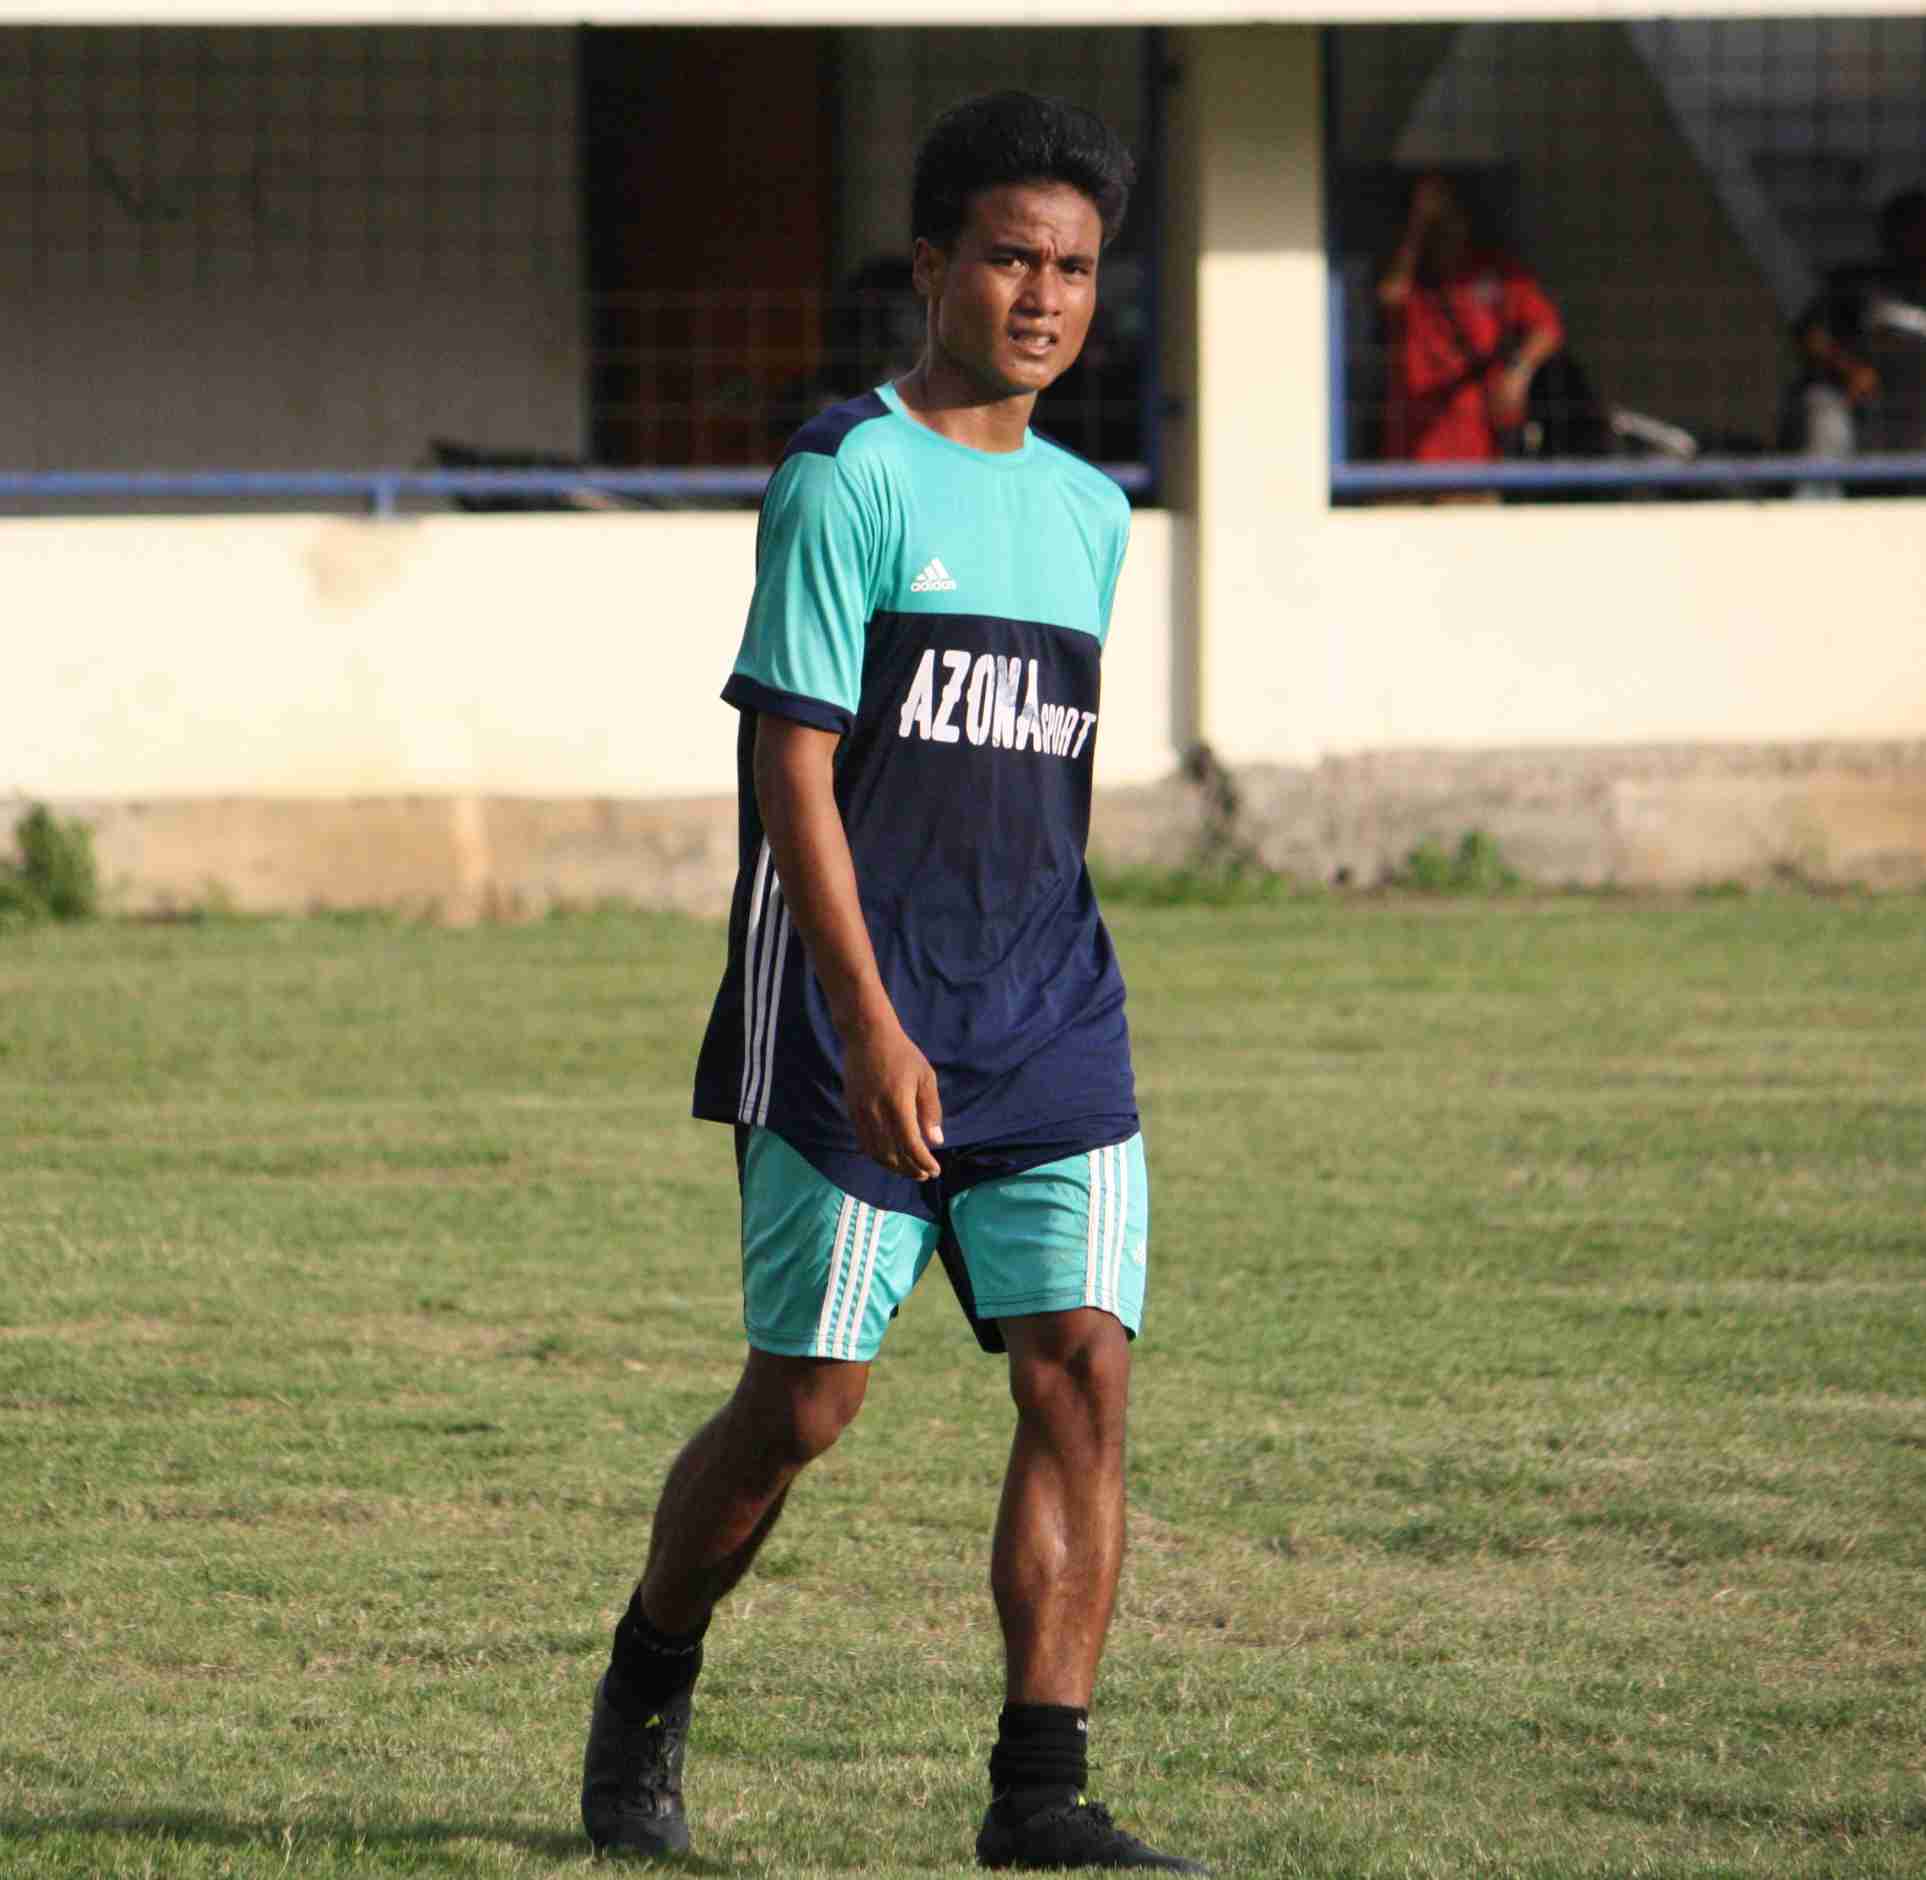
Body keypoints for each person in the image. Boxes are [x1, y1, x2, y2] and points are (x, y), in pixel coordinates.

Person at [579, 91, 1207, 1875]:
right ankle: (648, 1672)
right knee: (806, 1405)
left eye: (1075, 267)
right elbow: (790, 776)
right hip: (851, 1015)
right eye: (1010, 255)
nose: (1043, 294)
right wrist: (867, 1024)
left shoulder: (1091, 511)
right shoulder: (843, 476)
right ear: (933, 265)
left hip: (1049, 1013)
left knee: (1080, 1366)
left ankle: (1040, 1797)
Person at [1376, 173, 1564, 468]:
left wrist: (1518, 371)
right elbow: (1391, 297)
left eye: (1450, 215)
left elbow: (1547, 328)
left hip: (1475, 455)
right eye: (1437, 223)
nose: (1446, 231)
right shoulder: (1411, 277)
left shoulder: (1496, 272)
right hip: (1412, 457)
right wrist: (1417, 227)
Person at [1785, 186, 1926, 488]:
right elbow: (1810, 334)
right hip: (1864, 405)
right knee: (1823, 408)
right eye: (1910, 229)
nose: (1917, 239)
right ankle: (1815, 510)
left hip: (1916, 410)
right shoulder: (1859, 285)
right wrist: (1850, 370)